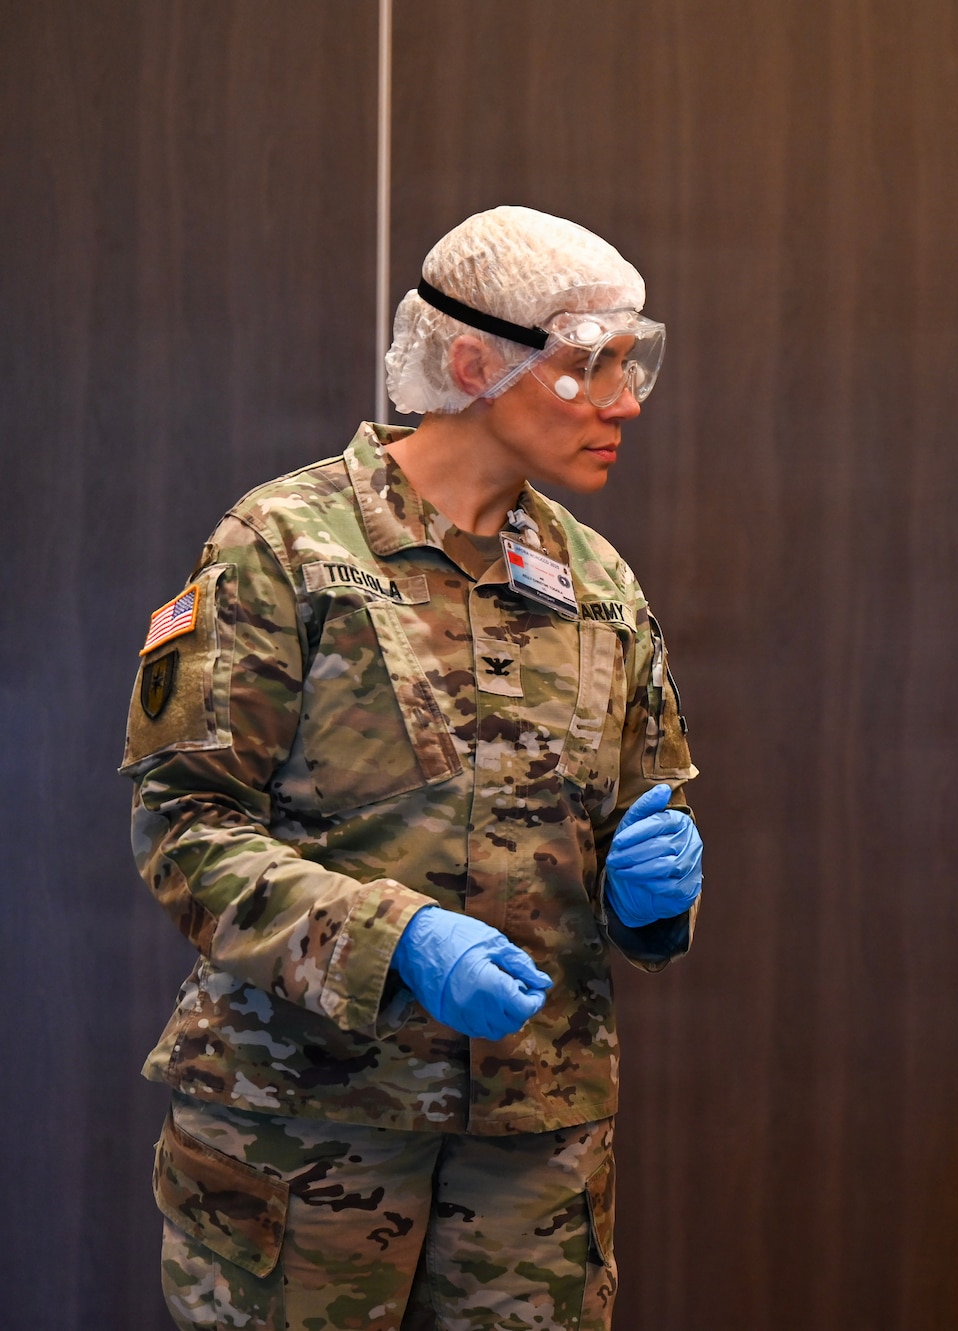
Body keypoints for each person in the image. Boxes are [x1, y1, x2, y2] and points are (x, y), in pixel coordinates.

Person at [122, 205, 702, 1330]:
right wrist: (398, 941)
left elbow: (641, 816)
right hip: (303, 1142)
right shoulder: (284, 546)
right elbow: (184, 828)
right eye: (590, 366)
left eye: (635, 363)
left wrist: (652, 899)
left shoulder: (598, 584)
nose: (626, 401)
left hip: (531, 1160)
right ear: (475, 362)